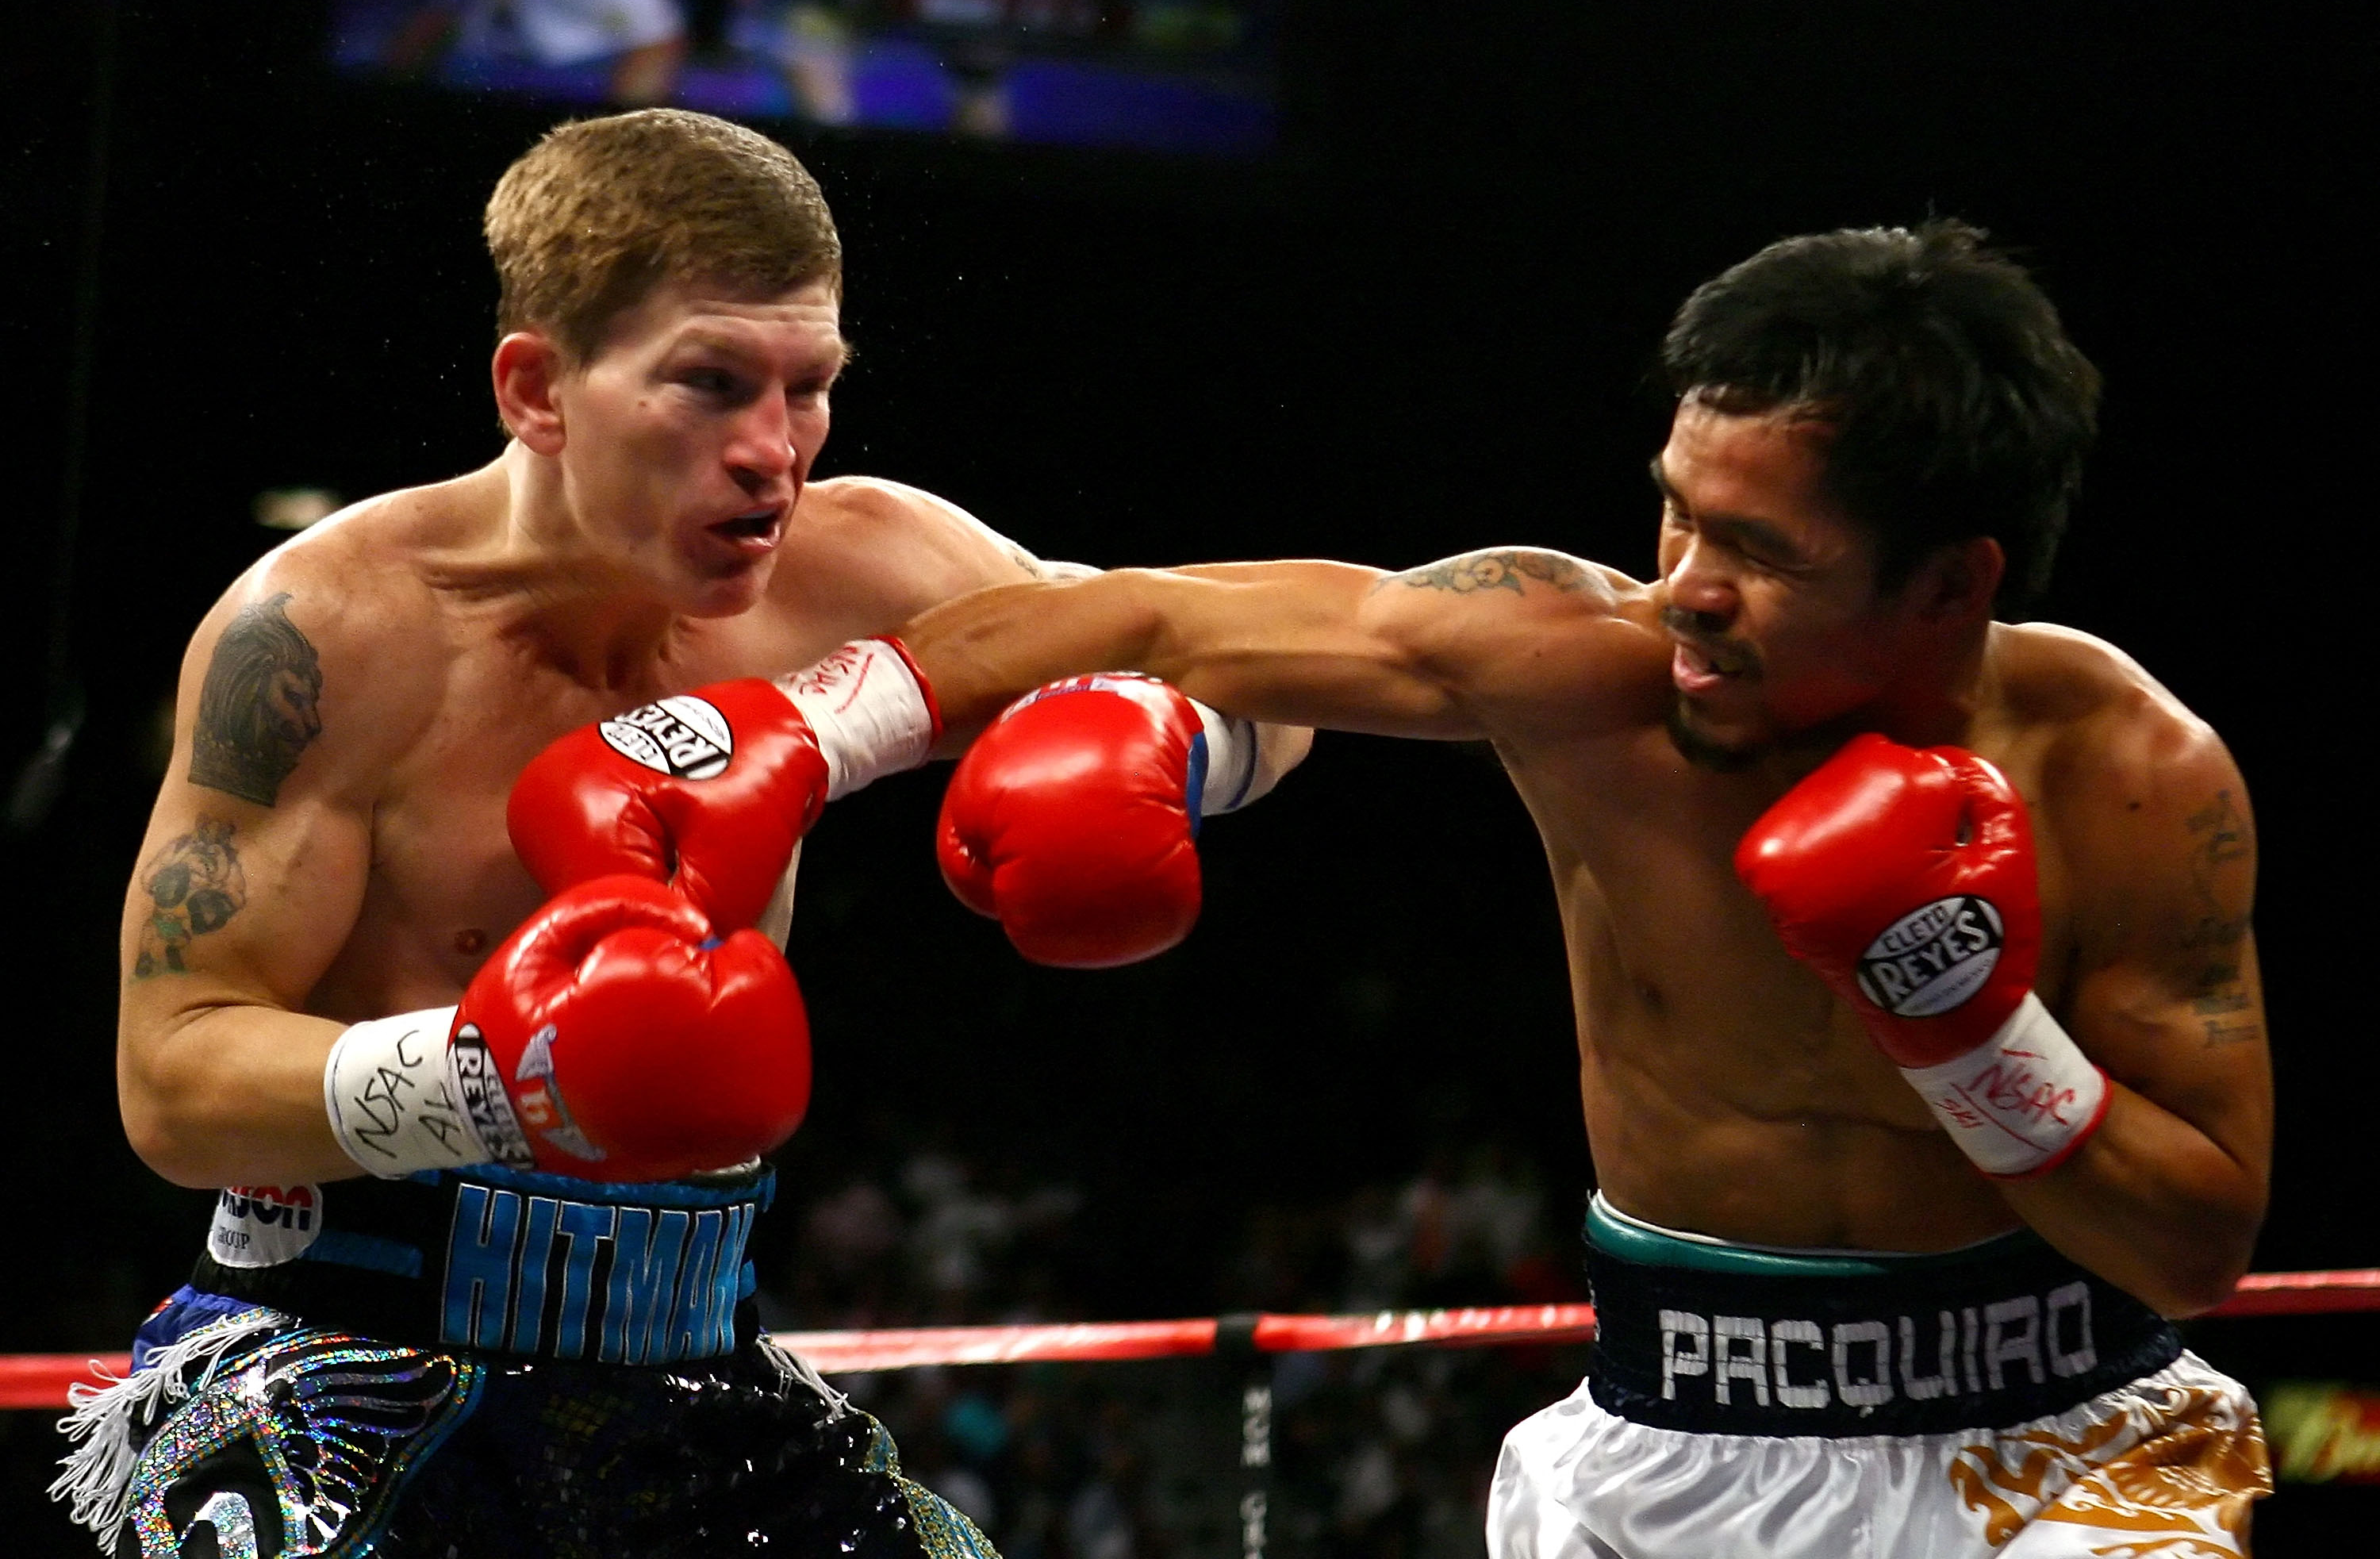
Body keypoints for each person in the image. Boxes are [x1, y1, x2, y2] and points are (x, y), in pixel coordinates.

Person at [894, 222, 2275, 1556]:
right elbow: (1156, 618)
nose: (1688, 587)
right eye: (1678, 512)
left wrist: (1969, 1030)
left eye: (1763, 553)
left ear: (1950, 585)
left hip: (2065, 1454)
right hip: (1669, 1448)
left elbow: (2195, 1249)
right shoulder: (1582, 676)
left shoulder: (2129, 774)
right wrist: (779, 743)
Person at [71, 106, 1301, 1559]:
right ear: (535, 387)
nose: (772, 455)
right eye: (711, 386)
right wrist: (496, 1076)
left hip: (701, 1381)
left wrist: (1173, 744)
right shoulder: (330, 635)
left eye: (809, 388)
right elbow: (173, 1072)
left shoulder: (867, 566)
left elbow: (1262, 666)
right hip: (340, 1369)